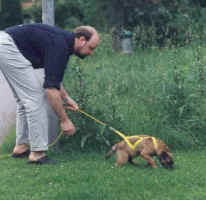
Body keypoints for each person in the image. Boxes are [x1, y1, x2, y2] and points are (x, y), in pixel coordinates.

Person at [0, 23, 99, 164]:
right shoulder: (60, 46)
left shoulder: (61, 42)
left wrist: (66, 97)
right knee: (35, 99)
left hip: (4, 43)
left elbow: (53, 78)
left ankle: (22, 146)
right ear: (82, 40)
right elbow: (50, 90)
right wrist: (65, 120)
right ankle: (37, 154)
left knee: (25, 100)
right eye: (91, 48)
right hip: (7, 46)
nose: (91, 53)